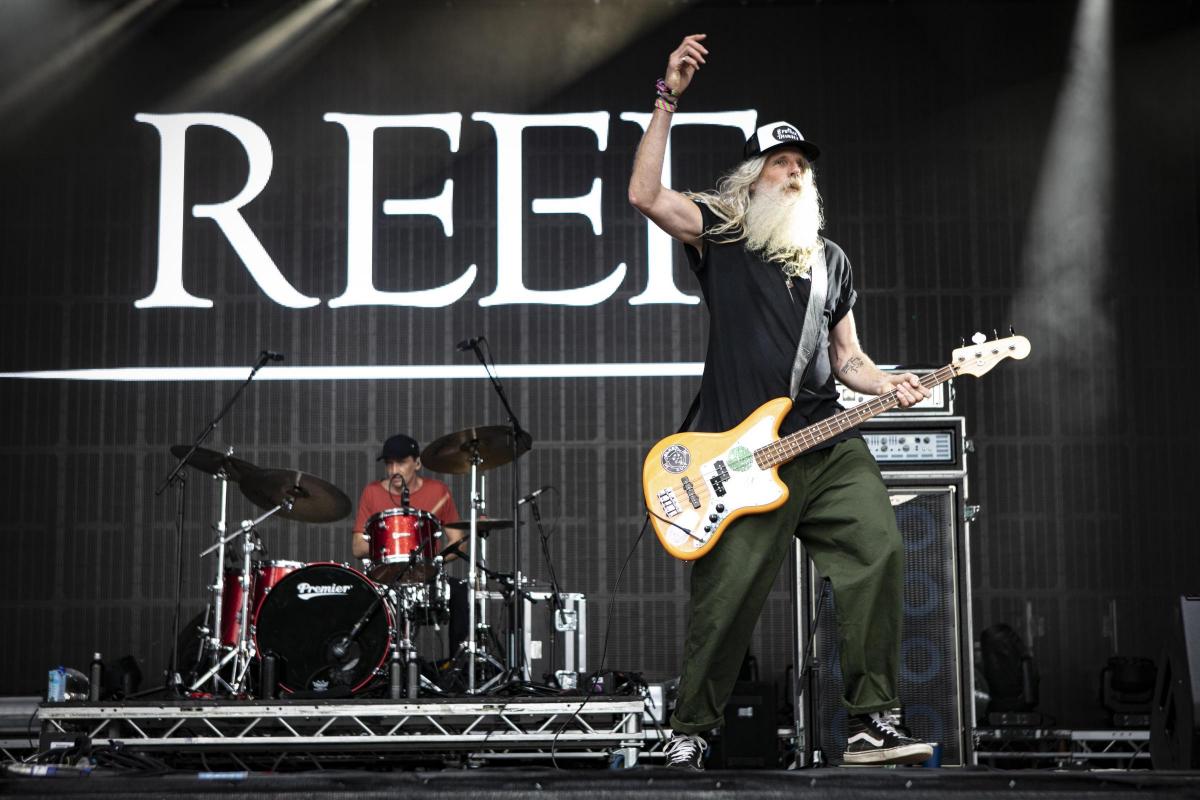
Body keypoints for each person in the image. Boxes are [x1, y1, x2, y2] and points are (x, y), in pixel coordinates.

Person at [628, 34, 935, 768]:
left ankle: (869, 721)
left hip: (826, 441)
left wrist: (890, 384)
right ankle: (690, 732)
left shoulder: (832, 262)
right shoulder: (725, 230)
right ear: (754, 176)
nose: (795, 173)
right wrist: (667, 98)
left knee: (878, 550)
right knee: (725, 599)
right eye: (781, 162)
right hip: (744, 454)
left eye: (802, 166)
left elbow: (849, 359)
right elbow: (644, 195)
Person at [352, 433, 469, 655]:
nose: (394, 469)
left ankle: (457, 670)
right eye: (389, 463)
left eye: (401, 462)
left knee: (461, 592)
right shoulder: (373, 492)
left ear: (417, 463)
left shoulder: (438, 491)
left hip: (426, 575)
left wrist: (429, 558)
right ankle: (376, 668)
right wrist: (396, 545)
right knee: (356, 595)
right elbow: (357, 546)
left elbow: (458, 544)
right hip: (386, 578)